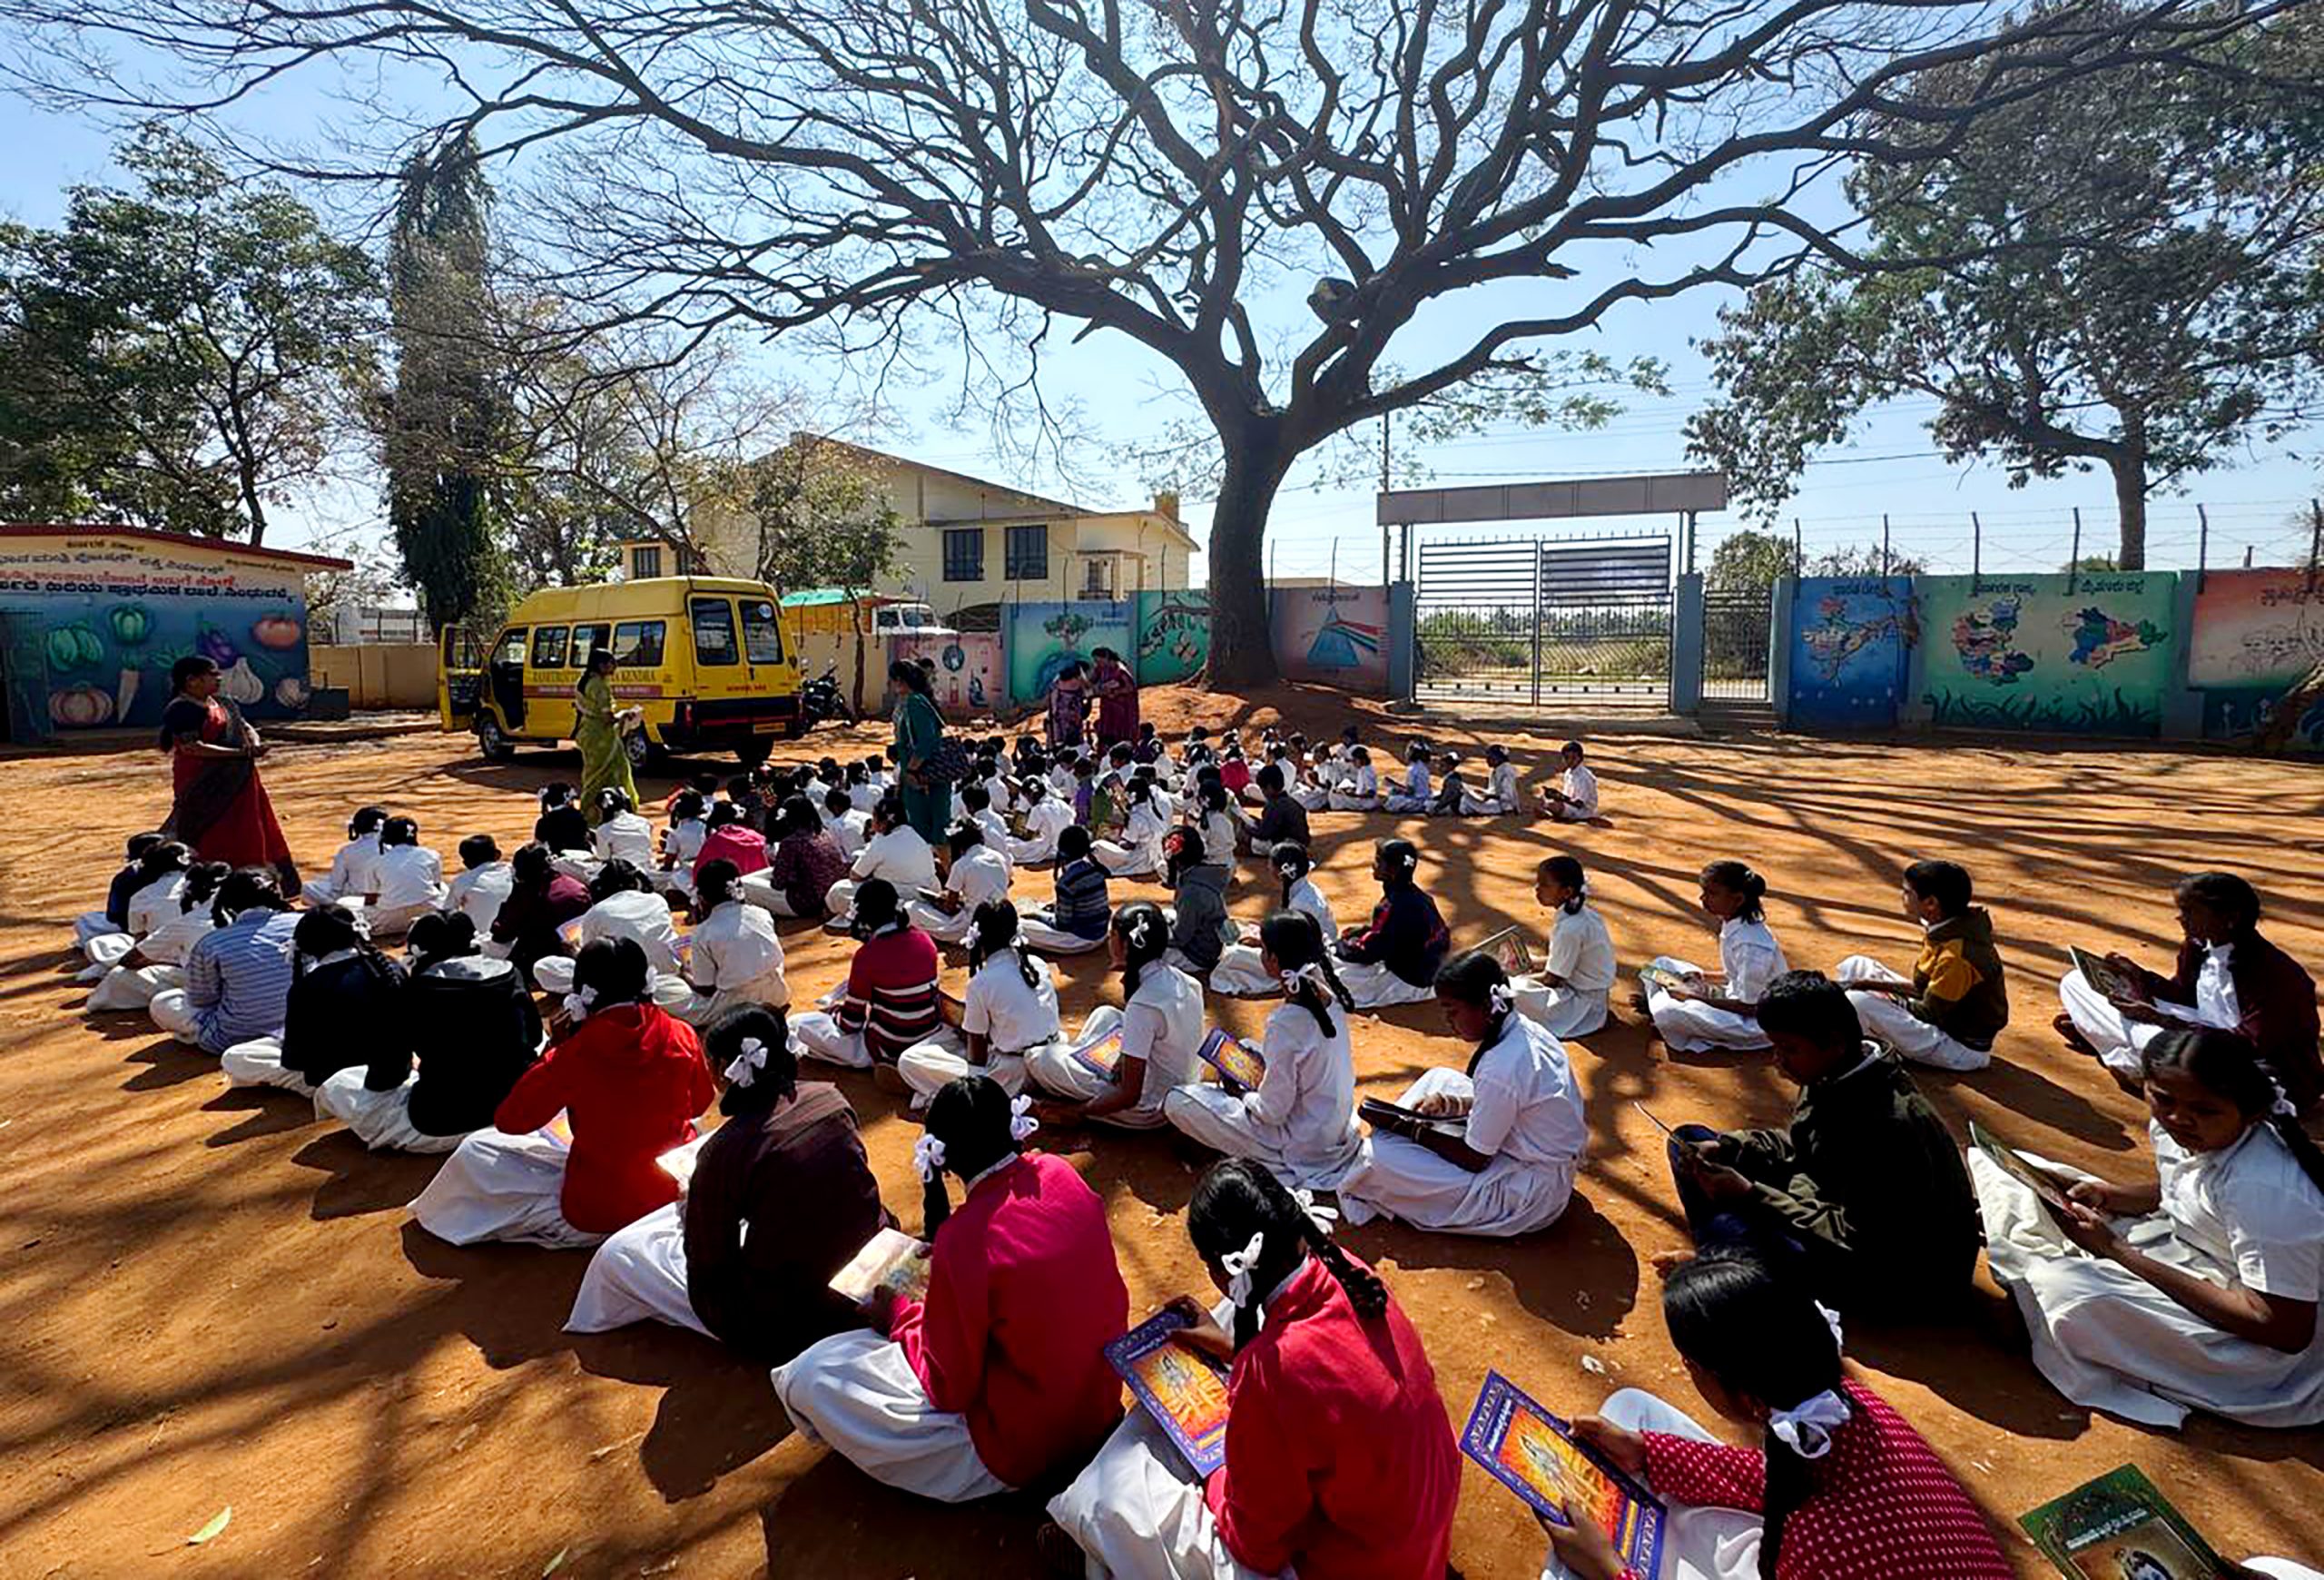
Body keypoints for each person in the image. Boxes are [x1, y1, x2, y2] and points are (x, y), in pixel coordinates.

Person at [1046, 1158, 1460, 1580]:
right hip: (1414, 1539)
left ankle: (1088, 1533)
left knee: (1108, 1493)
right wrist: (1233, 1350)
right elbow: (1329, 1376)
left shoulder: (1271, 1375)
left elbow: (1255, 1544)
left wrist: (1217, 1470)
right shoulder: (1349, 1270)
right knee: (1235, 1314)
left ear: (1221, 1265)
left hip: (1352, 1563)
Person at [1541, 1250, 2012, 1580]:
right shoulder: (1845, 1404)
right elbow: (1781, 1477)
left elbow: (1794, 1498)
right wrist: (1647, 1452)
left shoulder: (1820, 1546)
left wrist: (1610, 1570)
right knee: (1631, 1414)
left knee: (1573, 1566)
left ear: (1746, 1396)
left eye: (1692, 1364)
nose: (1687, 1371)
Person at [772, 1075, 1129, 1502]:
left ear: (941, 1156)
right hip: (1096, 1406)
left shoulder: (966, 1238)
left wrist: (899, 1315)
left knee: (813, 1373)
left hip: (1026, 1443)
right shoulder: (1058, 1172)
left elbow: (948, 1387)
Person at [1971, 1026, 2324, 1429]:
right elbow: (2184, 1185)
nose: (2179, 1117)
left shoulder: (2266, 1190)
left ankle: (2041, 1305)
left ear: (2252, 1113)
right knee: (2016, 1170)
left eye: (2204, 1110)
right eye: (2162, 1098)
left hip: (2265, 1354)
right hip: (2185, 1250)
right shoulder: (2184, 1127)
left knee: (2062, 1289)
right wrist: (2112, 1196)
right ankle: (2042, 1303)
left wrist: (2116, 1252)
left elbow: (2282, 1330)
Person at [566, 1005, 892, 1360]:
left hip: (795, 1316)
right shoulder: (830, 1099)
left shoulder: (725, 1151)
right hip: (866, 1271)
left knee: (623, 1254)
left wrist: (690, 1202)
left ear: (724, 1070)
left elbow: (708, 1259)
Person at [1665, 972, 1981, 1316]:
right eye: (1775, 1046)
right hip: (1833, 1204)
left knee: (1755, 1226)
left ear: (1834, 1042)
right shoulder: (1837, 1074)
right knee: (1689, 1142)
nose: (1777, 1060)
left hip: (1898, 1278)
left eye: (1789, 1049)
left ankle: (1731, 1270)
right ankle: (1733, 1258)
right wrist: (1729, 1147)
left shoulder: (1885, 1126)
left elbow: (1859, 1239)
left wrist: (1752, 1195)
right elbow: (1805, 1147)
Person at [409, 937, 714, 1249]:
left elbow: (511, 1121)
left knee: (477, 1146)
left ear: (582, 992)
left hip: (602, 1207)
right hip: (669, 1187)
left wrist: (555, 1050)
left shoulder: (574, 1054)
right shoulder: (681, 1033)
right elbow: (700, 1104)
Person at [1340, 950, 1587, 1236]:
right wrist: (1452, 1104)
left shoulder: (1502, 1066)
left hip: (1528, 1193)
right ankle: (1396, 1142)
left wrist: (1409, 1129)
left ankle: (1385, 1160)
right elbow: (1517, 1101)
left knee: (1375, 1160)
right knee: (1440, 1078)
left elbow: (1474, 1158)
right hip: (1539, 1161)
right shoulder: (1525, 1029)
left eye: (1452, 1011)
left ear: (1485, 1006)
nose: (1447, 1020)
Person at [2056, 871, 2320, 1112]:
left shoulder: (2277, 976)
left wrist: (2160, 1020)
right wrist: (2138, 976)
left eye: (2190, 911)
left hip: (2247, 1067)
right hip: (2196, 1030)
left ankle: (2136, 1061)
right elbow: (2183, 994)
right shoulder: (2199, 945)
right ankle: (2143, 1062)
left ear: (2230, 917)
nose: (2181, 918)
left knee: (2154, 1038)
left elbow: (2247, 1046)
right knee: (2075, 982)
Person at [1166, 911, 1364, 1190]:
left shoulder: (1286, 1023)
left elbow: (1272, 1113)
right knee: (1246, 1048)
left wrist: (1243, 1094)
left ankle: (1265, 1157)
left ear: (1273, 960)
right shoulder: (1327, 996)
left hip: (1300, 1143)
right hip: (1328, 1124)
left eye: (1263, 949)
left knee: (1177, 1100)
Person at [313, 912, 541, 1153]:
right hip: (518, 1108)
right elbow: (535, 1036)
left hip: (444, 1122)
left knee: (340, 1083)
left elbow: (387, 1075)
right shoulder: (510, 973)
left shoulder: (414, 991)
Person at [1028, 902, 1206, 1130]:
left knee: (1037, 1058)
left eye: (1113, 935)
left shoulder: (1144, 1005)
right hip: (1177, 1080)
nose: (1109, 941)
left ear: (1126, 946)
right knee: (1106, 1014)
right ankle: (1083, 1061)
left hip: (1147, 1107)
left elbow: (1129, 1096)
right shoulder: (1185, 980)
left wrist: (1078, 1112)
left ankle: (1081, 1068)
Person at [1837, 859, 2009, 1073]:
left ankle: (1852, 1059)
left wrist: (1877, 993)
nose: (1903, 897)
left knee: (1858, 1001)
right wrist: (1866, 983)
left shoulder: (1956, 956)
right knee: (1856, 965)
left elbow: (1929, 1012)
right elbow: (1924, 990)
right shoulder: (1948, 927)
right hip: (1942, 1019)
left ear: (1930, 904)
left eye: (1907, 892)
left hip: (1959, 1048)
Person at [219, 903, 408, 1094]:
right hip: (395, 1067)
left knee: (235, 1057)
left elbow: (295, 1061)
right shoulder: (389, 966)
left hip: (341, 1082)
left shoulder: (310, 986)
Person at [897, 901, 1064, 1104]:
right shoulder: (1037, 965)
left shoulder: (981, 983)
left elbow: (977, 1058)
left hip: (1011, 1076)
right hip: (1050, 1060)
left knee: (910, 1060)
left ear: (977, 936)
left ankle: (943, 1095)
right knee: (957, 1033)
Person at [157, 655, 298, 890]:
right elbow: (192, 747)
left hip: (240, 781)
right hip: (203, 783)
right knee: (208, 829)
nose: (219, 678)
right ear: (192, 681)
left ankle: (255, 883)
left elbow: (245, 726)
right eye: (212, 674)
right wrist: (241, 754)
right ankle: (207, 884)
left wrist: (253, 742)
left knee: (247, 828)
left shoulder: (224, 703)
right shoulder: (181, 709)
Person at [792, 880, 946, 1073]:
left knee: (800, 1025)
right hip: (927, 1035)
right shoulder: (925, 939)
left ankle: (888, 1063)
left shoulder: (867, 955)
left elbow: (850, 1025)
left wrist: (835, 1013)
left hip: (886, 1045)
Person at [1644, 860, 1791, 1054]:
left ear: (1738, 899)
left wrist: (1697, 998)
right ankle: (1674, 1004)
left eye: (1712, 893)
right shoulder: (1735, 924)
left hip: (1754, 1022)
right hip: (1732, 998)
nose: (1703, 898)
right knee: (1657, 967)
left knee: (1669, 1013)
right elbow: (1733, 976)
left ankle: (1671, 1012)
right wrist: (1700, 976)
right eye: (1704, 891)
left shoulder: (1751, 945)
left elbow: (1750, 1007)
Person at [150, 867, 300, 1054]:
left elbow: (202, 1000)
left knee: (163, 1002)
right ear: (277, 892)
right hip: (304, 1027)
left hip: (233, 1036)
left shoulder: (211, 943)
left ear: (228, 901)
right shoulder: (305, 923)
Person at [84, 860, 229, 1014]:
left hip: (203, 986)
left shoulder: (184, 920)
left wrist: (163, 960)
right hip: (239, 986)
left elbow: (129, 959)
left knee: (119, 976)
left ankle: (105, 968)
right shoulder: (244, 911)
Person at [532, 859, 686, 998]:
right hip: (667, 979)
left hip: (622, 985)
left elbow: (589, 961)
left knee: (544, 967)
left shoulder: (597, 912)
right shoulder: (658, 900)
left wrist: (573, 951)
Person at [1332, 838, 1451, 1010]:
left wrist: (1340, 947)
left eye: (1379, 861)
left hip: (1411, 983)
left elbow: (1368, 953)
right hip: (1430, 972)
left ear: (1392, 871)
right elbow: (1393, 932)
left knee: (1337, 975)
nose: (1374, 865)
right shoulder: (1420, 897)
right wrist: (1364, 931)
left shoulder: (1394, 905)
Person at [669, 858, 789, 1026]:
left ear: (702, 898)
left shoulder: (703, 932)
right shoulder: (761, 913)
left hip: (736, 1005)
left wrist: (685, 974)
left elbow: (707, 989)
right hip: (777, 994)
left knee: (663, 989)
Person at [1512, 854, 1618, 1039]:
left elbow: (1552, 979)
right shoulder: (1584, 916)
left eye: (1545, 884)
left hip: (1583, 1008)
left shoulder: (1571, 928)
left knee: (1510, 989)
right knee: (1519, 975)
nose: (1537, 889)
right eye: (1538, 882)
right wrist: (1531, 963)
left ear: (1566, 892)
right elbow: (1567, 962)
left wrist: (1514, 979)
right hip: (1589, 997)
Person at [1212, 841, 1338, 997]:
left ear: (1280, 871)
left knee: (1233, 954)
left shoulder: (1302, 903)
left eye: (1271, 865)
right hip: (1306, 950)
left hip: (1306, 961)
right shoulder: (1303, 890)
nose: (1268, 868)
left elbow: (1292, 947)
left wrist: (1259, 941)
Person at [824, 795, 940, 930]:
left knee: (839, 889)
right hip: (930, 889)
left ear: (883, 822)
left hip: (901, 895)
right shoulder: (913, 833)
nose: (872, 821)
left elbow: (855, 875)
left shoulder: (881, 841)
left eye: (874, 817)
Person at [489, 843, 593, 977]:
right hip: (580, 955)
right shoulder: (577, 887)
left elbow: (502, 934)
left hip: (537, 960)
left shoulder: (525, 894)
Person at [910, 821, 1013, 946]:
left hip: (975, 923)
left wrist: (938, 901)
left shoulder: (962, 865)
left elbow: (950, 908)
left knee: (912, 908)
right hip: (1002, 918)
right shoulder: (998, 857)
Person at [749, 795, 849, 922]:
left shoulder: (790, 843)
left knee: (746, 884)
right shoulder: (823, 832)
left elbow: (778, 884)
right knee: (762, 874)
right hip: (829, 895)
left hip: (805, 904)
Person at [1019, 825, 1113, 955]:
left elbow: (1062, 925)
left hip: (1079, 940)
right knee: (1045, 907)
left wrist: (1037, 915)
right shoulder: (1096, 871)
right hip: (1102, 934)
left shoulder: (1065, 883)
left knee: (1019, 926)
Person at [890, 658, 953, 848]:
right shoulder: (915, 701)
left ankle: (946, 874)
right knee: (931, 828)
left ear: (900, 680)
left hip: (923, 776)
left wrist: (911, 771)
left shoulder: (915, 703)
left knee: (929, 829)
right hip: (921, 775)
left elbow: (927, 742)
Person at [574, 647, 641, 824]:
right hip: (602, 737)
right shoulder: (601, 686)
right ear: (601, 665)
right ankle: (612, 812)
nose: (615, 666)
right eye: (611, 663)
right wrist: (624, 714)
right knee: (614, 772)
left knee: (593, 776)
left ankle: (591, 812)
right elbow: (608, 718)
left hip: (589, 733)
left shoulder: (584, 681)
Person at [1162, 825, 1236, 977]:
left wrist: (1155, 936)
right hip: (1208, 942)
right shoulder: (1201, 874)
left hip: (1198, 957)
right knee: (1162, 915)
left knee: (1143, 950)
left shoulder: (1191, 891)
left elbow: (1180, 938)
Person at [75, 830, 164, 948]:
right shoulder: (183, 873)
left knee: (85, 921)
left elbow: (113, 916)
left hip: (135, 931)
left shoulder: (125, 878)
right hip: (174, 930)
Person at [367, 815, 447, 938]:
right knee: (445, 889)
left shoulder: (375, 862)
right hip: (428, 916)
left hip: (389, 922)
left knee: (346, 904)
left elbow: (370, 900)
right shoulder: (431, 855)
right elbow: (437, 887)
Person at [301, 805, 388, 908]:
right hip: (387, 898)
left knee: (307, 887)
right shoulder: (391, 848)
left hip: (354, 897)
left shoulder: (347, 851)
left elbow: (336, 885)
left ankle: (337, 908)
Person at [1092, 771, 1171, 879]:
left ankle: (1104, 870)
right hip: (1156, 855)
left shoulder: (1136, 817)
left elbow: (1130, 844)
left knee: (1097, 846)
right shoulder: (1151, 807)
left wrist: (1116, 841)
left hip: (1141, 860)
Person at [446, 834, 515, 937]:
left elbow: (447, 912)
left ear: (466, 864)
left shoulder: (461, 881)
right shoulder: (513, 871)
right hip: (514, 937)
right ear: (498, 855)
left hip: (478, 940)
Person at [694, 799, 770, 892]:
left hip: (729, 892)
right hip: (760, 887)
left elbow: (699, 872)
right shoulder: (755, 836)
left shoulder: (715, 841)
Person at [1236, 764, 1310, 857]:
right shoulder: (1290, 801)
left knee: (1243, 836)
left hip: (1288, 847)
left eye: (1263, 789)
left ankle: (1250, 850)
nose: (1262, 792)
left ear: (1269, 787)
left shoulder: (1274, 805)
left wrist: (1247, 828)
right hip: (1299, 843)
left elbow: (1263, 834)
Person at [1006, 778, 1074, 868]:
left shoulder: (1038, 809)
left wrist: (1014, 834)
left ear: (1029, 795)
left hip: (1048, 849)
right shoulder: (1061, 803)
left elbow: (1027, 837)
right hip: (1068, 846)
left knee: (1009, 844)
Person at [1535, 740, 1600, 823]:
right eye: (1566, 758)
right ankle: (1551, 812)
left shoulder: (1585, 777)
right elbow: (1567, 796)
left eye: (1573, 758)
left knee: (1554, 806)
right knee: (1542, 800)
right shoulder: (1568, 772)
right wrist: (1556, 795)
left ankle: (1551, 814)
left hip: (1584, 811)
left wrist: (1560, 798)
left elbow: (1579, 804)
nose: (1569, 761)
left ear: (1580, 759)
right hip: (1570, 804)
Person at [592, 786, 656, 870]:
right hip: (647, 871)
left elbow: (604, 857)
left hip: (620, 873)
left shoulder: (603, 830)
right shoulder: (645, 823)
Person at [1090, 645, 1138, 746]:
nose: (1097, 663)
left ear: (1106, 658)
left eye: (1098, 661)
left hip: (1122, 707)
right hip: (1108, 706)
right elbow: (1092, 681)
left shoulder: (1120, 671)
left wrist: (1115, 693)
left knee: (1122, 729)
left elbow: (1130, 688)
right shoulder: (1101, 669)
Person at [1460, 743, 1522, 815]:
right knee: (1465, 793)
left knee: (1465, 798)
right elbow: (1494, 790)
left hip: (1502, 806)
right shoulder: (1498, 769)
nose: (1487, 760)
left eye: (1490, 757)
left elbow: (1508, 796)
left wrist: (1489, 796)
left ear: (1498, 758)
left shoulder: (1506, 771)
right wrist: (1483, 792)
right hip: (1496, 802)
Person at [1046, 659, 1092, 753]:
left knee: (1058, 733)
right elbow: (1089, 691)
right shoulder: (1078, 679)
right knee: (1072, 732)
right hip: (1072, 710)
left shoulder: (1058, 679)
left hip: (1058, 710)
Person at [534, 783, 593, 854]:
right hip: (583, 858)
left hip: (559, 861)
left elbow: (539, 846)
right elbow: (587, 837)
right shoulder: (578, 816)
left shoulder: (543, 822)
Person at [1380, 742, 1433, 815]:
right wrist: (1396, 784)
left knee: (1392, 797)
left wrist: (1395, 786)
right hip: (1425, 799)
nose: (1406, 753)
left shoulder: (1412, 769)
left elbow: (1410, 791)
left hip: (1416, 801)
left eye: (1408, 751)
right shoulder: (1424, 768)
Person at [1325, 746, 1380, 812]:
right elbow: (1363, 787)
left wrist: (1354, 795)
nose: (1353, 763)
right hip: (1363, 800)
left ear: (1363, 760)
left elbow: (1371, 793)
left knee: (1333, 795)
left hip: (1365, 802)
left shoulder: (1366, 772)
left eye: (1355, 760)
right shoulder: (1364, 769)